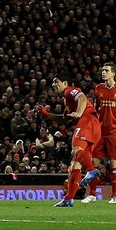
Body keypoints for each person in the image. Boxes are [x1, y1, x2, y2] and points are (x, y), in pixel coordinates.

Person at [36, 72, 101, 207]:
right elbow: (64, 120)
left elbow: (82, 98)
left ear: (65, 83)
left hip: (88, 121)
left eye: (56, 81)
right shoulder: (67, 101)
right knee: (75, 165)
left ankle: (91, 170)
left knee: (76, 149)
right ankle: (69, 198)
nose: (53, 85)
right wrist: (47, 114)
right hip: (92, 125)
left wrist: (78, 112)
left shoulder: (69, 91)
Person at [82, 63, 116, 204]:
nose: (103, 72)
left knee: (113, 163)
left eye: (106, 71)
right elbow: (95, 110)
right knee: (94, 162)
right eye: (102, 70)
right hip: (99, 132)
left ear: (113, 73)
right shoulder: (98, 89)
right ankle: (92, 194)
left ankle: (115, 196)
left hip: (115, 133)